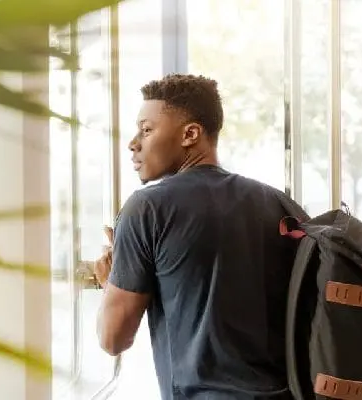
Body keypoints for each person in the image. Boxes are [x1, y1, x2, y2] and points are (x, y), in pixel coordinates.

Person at [93, 74, 297, 399]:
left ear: (190, 134)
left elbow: (113, 339)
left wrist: (109, 281)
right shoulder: (279, 204)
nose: (134, 143)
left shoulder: (147, 208)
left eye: (147, 130)